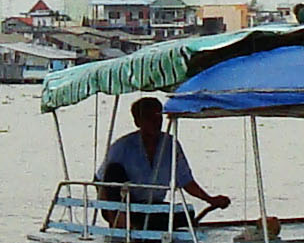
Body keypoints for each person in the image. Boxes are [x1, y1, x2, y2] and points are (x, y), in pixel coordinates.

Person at [93, 95, 230, 227]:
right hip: (128, 207)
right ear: (137, 121)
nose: (155, 122)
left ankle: (145, 228)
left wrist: (210, 199)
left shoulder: (170, 144)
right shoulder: (122, 146)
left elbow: (185, 180)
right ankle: (125, 224)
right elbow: (101, 181)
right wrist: (112, 213)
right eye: (148, 118)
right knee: (113, 170)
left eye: (158, 117)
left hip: (153, 207)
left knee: (186, 213)